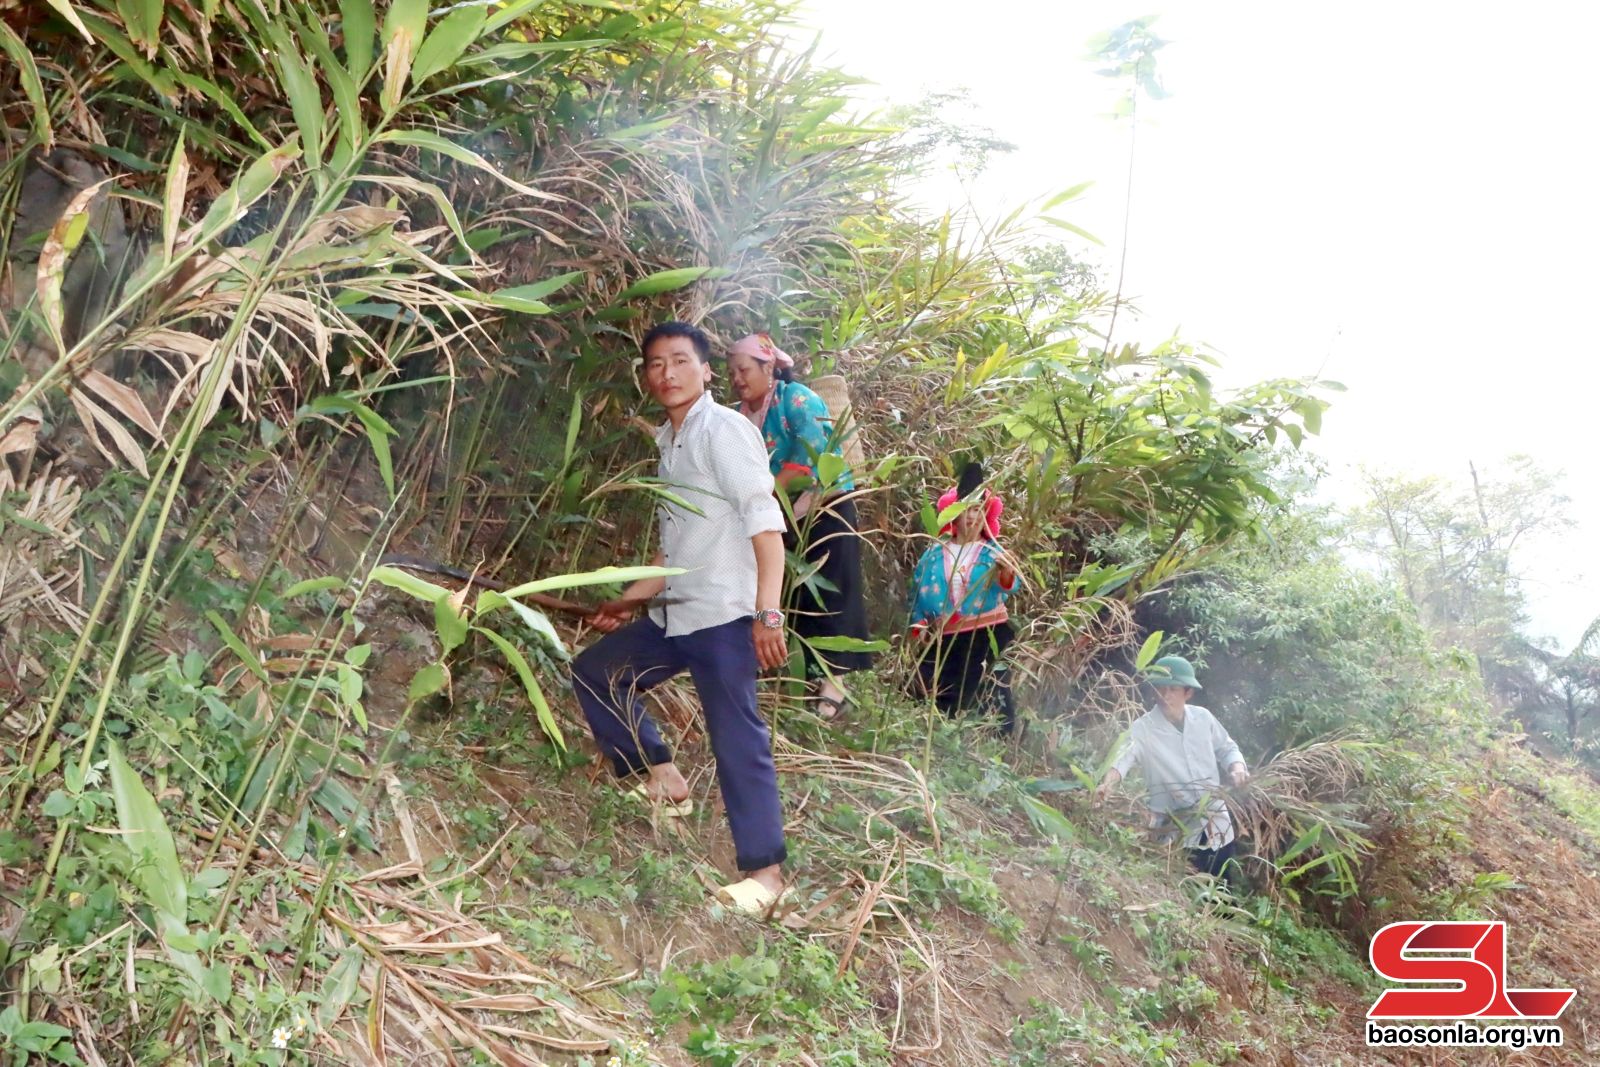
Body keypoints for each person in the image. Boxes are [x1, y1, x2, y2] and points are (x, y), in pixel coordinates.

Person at [570, 321, 790, 915]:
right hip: (676, 614)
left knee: (737, 738)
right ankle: (661, 774)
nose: (666, 374)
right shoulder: (670, 442)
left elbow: (765, 527)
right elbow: (673, 553)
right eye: (655, 365)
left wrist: (768, 612)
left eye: (679, 361)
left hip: (723, 616)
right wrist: (626, 599)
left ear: (706, 369)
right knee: (597, 670)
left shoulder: (724, 430)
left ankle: (766, 879)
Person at [725, 332, 872, 721]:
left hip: (825, 506)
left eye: (744, 370)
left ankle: (833, 684)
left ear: (768, 367)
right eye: (732, 373)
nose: (737, 379)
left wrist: (763, 496)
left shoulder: (798, 399)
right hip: (778, 516)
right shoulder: (740, 416)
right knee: (791, 592)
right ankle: (789, 670)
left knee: (834, 592)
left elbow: (808, 462)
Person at [1093, 655, 1251, 881]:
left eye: (1173, 689)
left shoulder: (1203, 719)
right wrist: (1106, 785)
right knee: (1187, 900)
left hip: (1217, 826)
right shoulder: (1143, 729)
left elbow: (1227, 748)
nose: (1165, 695)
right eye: (1160, 688)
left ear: (1188, 693)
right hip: (1176, 835)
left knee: (1223, 896)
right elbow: (1122, 759)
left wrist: (1237, 768)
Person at [907, 461, 1019, 733]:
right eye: (967, 509)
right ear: (953, 514)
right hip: (947, 637)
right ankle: (940, 741)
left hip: (988, 633)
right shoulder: (933, 554)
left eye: (979, 509)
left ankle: (994, 747)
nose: (973, 516)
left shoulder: (993, 552)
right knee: (931, 693)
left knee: (992, 694)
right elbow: (917, 591)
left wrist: (1006, 574)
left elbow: (1011, 586)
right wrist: (919, 624)